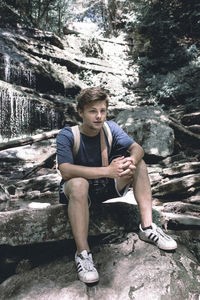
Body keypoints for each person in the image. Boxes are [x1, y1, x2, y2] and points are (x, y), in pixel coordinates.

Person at [56, 87, 177, 284]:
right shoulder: (67, 135)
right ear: (80, 112)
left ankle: (147, 228)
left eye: (102, 111)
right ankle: (83, 254)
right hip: (77, 192)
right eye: (92, 111)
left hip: (105, 186)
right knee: (78, 184)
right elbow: (66, 170)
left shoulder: (110, 128)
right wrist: (107, 171)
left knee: (140, 164)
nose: (99, 116)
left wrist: (132, 160)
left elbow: (137, 148)